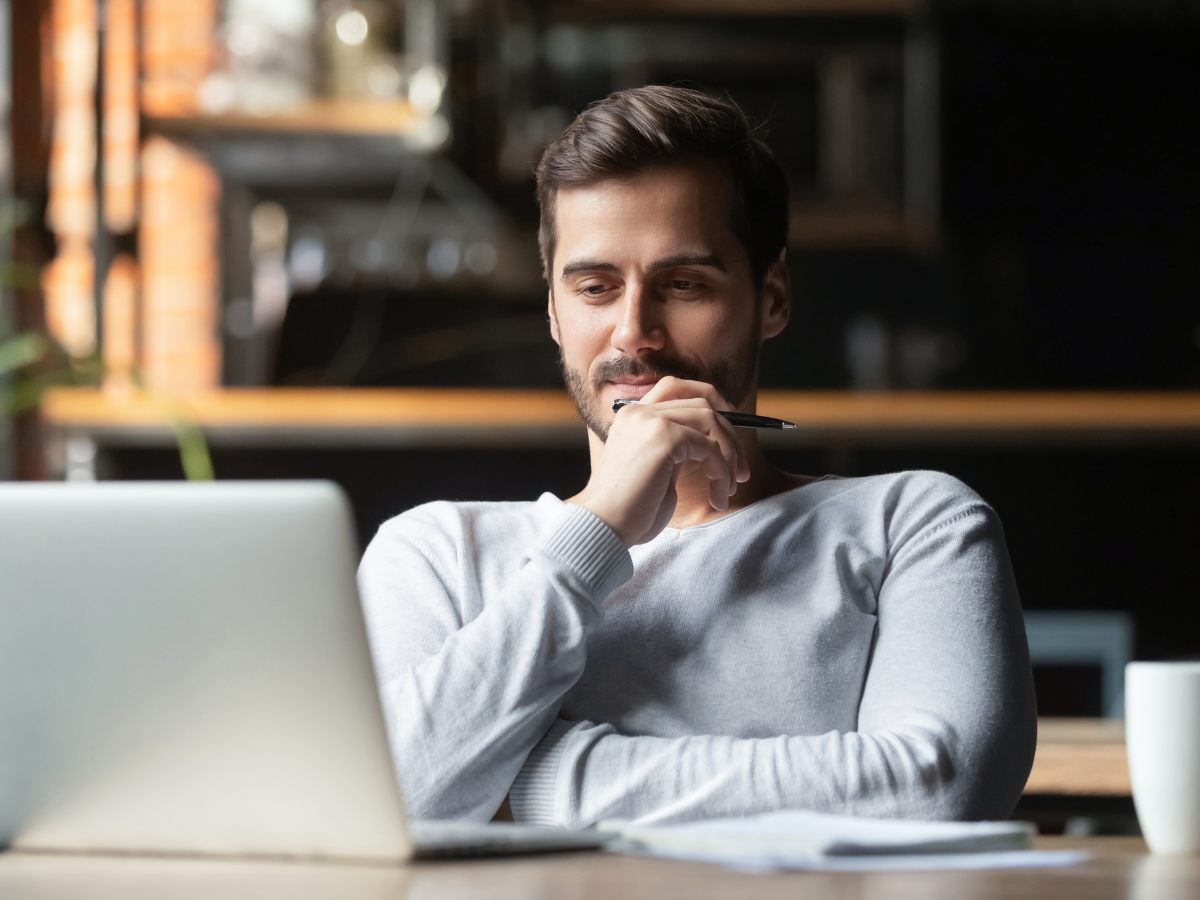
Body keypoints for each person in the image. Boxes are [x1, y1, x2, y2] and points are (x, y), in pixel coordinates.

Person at [358, 85, 1036, 828]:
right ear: (553, 311)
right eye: (595, 287)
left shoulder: (914, 523)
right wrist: (597, 531)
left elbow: (938, 789)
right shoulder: (434, 553)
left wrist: (528, 781)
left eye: (683, 285)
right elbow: (382, 804)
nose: (633, 333)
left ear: (771, 297)